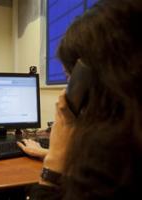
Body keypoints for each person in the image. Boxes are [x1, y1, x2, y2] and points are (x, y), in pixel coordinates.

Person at [17, 0, 142, 199]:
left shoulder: (107, 177)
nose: (64, 95)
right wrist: (48, 153)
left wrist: (54, 160)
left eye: (69, 78)